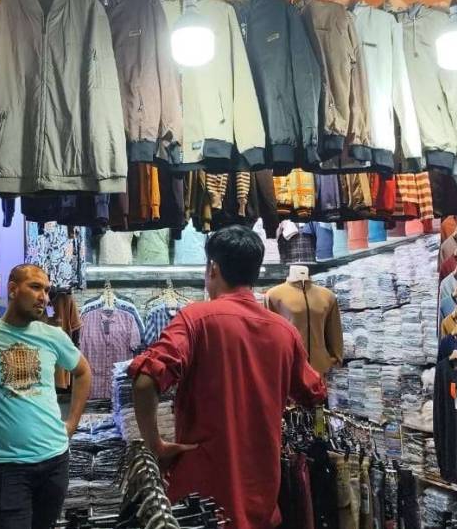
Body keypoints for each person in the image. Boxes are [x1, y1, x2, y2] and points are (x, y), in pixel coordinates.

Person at [129, 225, 327, 528]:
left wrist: (156, 445)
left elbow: (145, 381)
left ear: (213, 268)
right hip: (261, 491)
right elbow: (314, 393)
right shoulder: (284, 331)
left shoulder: (195, 319)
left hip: (202, 498)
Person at [0, 264, 93, 529]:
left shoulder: (53, 336)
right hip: (8, 467)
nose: (45, 297)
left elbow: (83, 371)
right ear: (13, 289)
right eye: (36, 287)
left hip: (55, 460)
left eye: (47, 290)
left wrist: (72, 423)